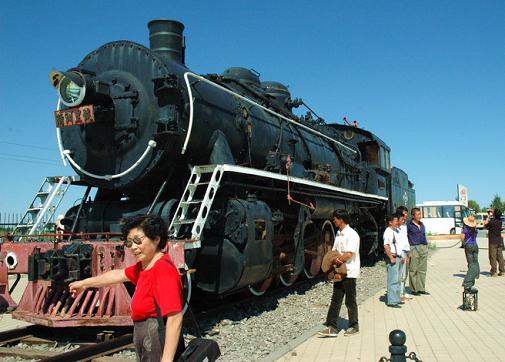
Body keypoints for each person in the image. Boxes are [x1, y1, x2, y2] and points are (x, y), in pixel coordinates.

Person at [69, 215, 184, 362]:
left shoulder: (162, 270)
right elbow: (118, 275)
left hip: (155, 333)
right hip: (145, 331)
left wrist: (167, 359)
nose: (133, 247)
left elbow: (175, 317)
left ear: (156, 239)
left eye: (138, 240)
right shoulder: (146, 266)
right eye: (129, 242)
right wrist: (84, 284)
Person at [318, 209, 360, 337]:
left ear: (341, 219)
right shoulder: (338, 233)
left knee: (350, 300)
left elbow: (349, 254)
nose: (334, 220)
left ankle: (354, 326)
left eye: (335, 218)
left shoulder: (352, 234)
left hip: (349, 272)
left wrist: (336, 261)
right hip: (339, 271)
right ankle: (332, 327)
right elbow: (335, 250)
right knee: (335, 299)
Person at [407, 207, 429, 296]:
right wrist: (408, 250)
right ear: (413, 215)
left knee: (422, 269)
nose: (420, 216)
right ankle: (414, 289)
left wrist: (426, 246)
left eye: (420, 214)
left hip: (423, 247)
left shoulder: (422, 224)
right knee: (413, 269)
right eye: (418, 214)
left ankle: (421, 288)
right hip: (414, 248)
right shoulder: (409, 225)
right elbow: (405, 237)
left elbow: (424, 236)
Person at [383, 214, 402, 307]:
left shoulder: (395, 231)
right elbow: (386, 246)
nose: (397, 222)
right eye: (395, 221)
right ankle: (392, 301)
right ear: (390, 222)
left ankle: (396, 298)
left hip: (397, 256)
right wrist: (391, 257)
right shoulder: (388, 232)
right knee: (393, 279)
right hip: (393, 257)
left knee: (398, 278)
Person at [395, 208, 411, 302]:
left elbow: (405, 240)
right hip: (400, 252)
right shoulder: (396, 228)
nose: (406, 216)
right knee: (400, 274)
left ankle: (402, 292)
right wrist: (400, 254)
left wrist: (408, 253)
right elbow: (398, 242)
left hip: (405, 251)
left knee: (404, 274)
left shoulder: (404, 226)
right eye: (404, 214)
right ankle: (399, 294)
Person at [461, 215, 479, 292]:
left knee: (470, 262)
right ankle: (476, 274)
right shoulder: (475, 230)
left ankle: (470, 277)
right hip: (475, 245)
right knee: (476, 261)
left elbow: (462, 238)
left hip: (468, 246)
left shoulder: (465, 230)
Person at [484, 208, 504, 276]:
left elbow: (485, 225)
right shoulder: (500, 221)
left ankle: (494, 271)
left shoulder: (492, 222)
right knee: (500, 256)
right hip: (499, 241)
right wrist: (494, 213)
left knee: (492, 256)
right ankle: (502, 271)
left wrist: (489, 216)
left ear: (494, 214)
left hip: (493, 241)